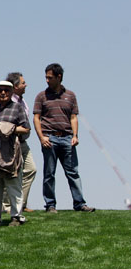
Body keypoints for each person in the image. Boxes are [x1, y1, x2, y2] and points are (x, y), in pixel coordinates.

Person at [33, 63, 95, 213]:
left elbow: (73, 117)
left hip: (67, 138)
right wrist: (41, 138)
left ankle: (80, 204)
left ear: (59, 77)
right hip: (49, 138)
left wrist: (75, 136)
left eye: (50, 77)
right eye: (46, 77)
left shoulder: (71, 95)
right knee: (49, 174)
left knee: (73, 172)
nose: (47, 80)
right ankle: (50, 205)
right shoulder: (41, 96)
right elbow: (36, 118)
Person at [0, 72, 37, 212]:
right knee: (3, 176)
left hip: (20, 143)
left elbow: (25, 127)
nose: (26, 85)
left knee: (29, 170)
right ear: (15, 86)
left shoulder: (19, 104)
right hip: (4, 146)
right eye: (23, 83)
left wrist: (11, 129)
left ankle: (19, 206)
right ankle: (6, 209)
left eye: (6, 90)